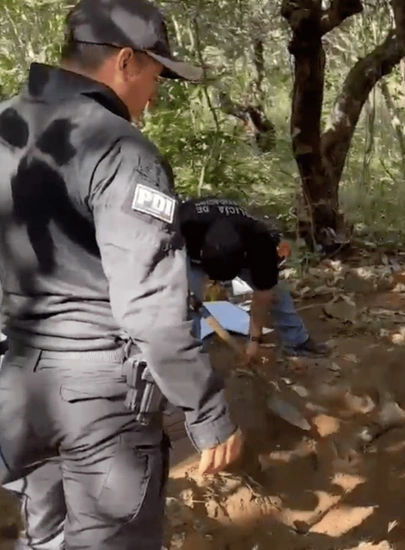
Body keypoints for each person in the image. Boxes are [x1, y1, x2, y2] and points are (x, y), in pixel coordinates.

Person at [0, 0, 243, 548]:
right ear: (126, 61)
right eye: (157, 75)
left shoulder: (6, 125)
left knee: (45, 538)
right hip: (103, 403)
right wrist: (206, 410)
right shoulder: (121, 149)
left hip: (20, 386)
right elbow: (150, 306)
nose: (154, 97)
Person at [180, 197, 329, 360]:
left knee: (276, 293)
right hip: (186, 252)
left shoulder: (260, 242)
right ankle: (190, 355)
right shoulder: (181, 223)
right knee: (184, 303)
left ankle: (297, 342)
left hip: (243, 247)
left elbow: (263, 295)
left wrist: (253, 342)